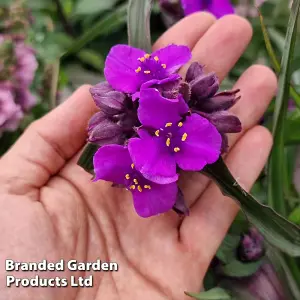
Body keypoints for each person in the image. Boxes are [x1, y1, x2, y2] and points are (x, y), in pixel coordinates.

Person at [0, 12, 277, 300]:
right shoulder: (146, 130)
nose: (135, 180)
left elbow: (195, 141)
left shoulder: (160, 107)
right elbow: (143, 160)